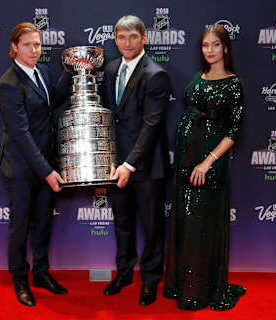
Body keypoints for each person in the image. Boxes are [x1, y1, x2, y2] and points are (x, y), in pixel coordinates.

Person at [163, 24, 246, 311]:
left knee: (202, 225)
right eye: (204, 45)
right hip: (187, 160)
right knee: (186, 222)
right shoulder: (199, 76)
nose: (209, 50)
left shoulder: (234, 84)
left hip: (208, 163)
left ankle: (202, 289)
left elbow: (233, 132)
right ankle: (181, 284)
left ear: (225, 47)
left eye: (214, 45)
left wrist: (207, 162)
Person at [0, 22, 71, 307]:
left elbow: (55, 98)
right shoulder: (8, 84)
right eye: (27, 44)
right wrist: (48, 172)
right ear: (14, 47)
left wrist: (72, 68)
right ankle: (20, 280)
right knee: (21, 225)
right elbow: (21, 135)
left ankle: (41, 274)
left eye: (38, 44)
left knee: (42, 224)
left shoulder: (43, 72)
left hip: (44, 166)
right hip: (21, 168)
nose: (34, 50)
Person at [101, 15, 171, 306]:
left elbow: (151, 125)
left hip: (145, 167)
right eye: (121, 37)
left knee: (152, 227)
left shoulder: (155, 74)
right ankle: (125, 272)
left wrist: (129, 165)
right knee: (122, 222)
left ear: (144, 38)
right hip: (115, 164)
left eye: (132, 37)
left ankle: (151, 281)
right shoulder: (110, 68)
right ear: (115, 39)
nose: (127, 43)